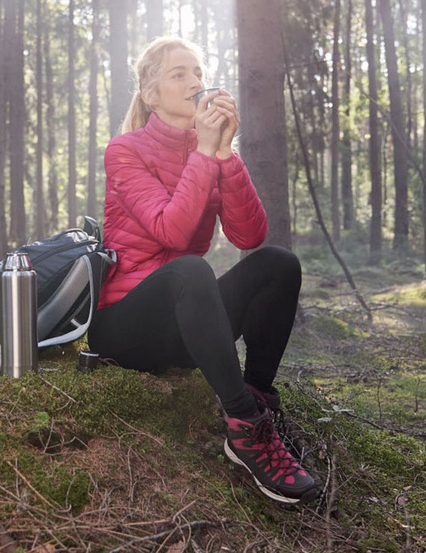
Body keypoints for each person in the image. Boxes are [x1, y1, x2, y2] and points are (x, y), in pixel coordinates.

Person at [88, 36, 319, 505]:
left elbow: (249, 236)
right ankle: (244, 429)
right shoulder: (124, 151)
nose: (195, 82)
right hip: (124, 330)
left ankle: (255, 397)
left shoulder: (210, 150)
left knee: (279, 263)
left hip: (186, 327)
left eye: (197, 72)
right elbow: (169, 232)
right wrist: (204, 155)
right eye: (179, 74)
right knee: (191, 269)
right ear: (151, 94)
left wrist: (226, 155)